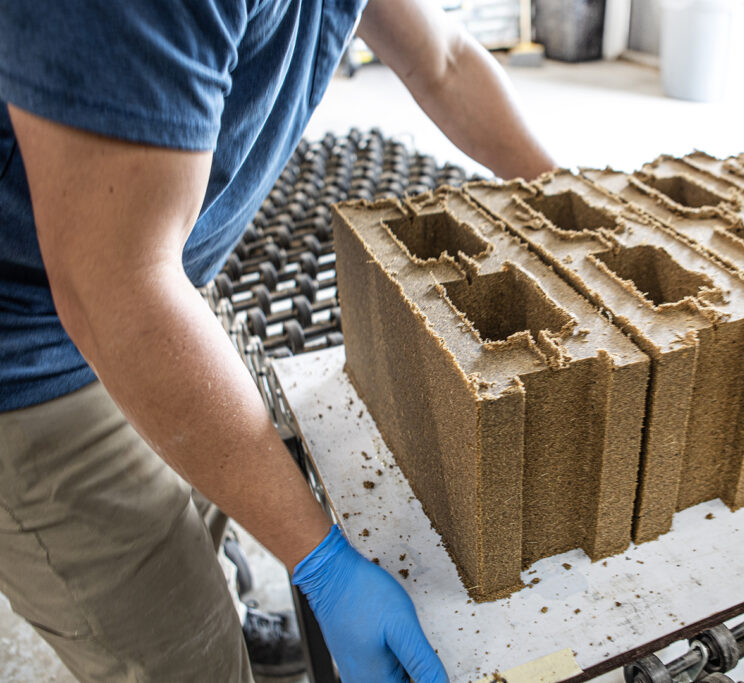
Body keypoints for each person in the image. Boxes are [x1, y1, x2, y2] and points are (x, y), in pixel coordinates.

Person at [0, 0, 555, 680]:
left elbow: (440, 60)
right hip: (27, 347)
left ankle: (226, 607)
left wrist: (562, 203)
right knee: (176, 649)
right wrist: (320, 561)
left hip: (147, 270)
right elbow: (113, 289)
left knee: (203, 496)